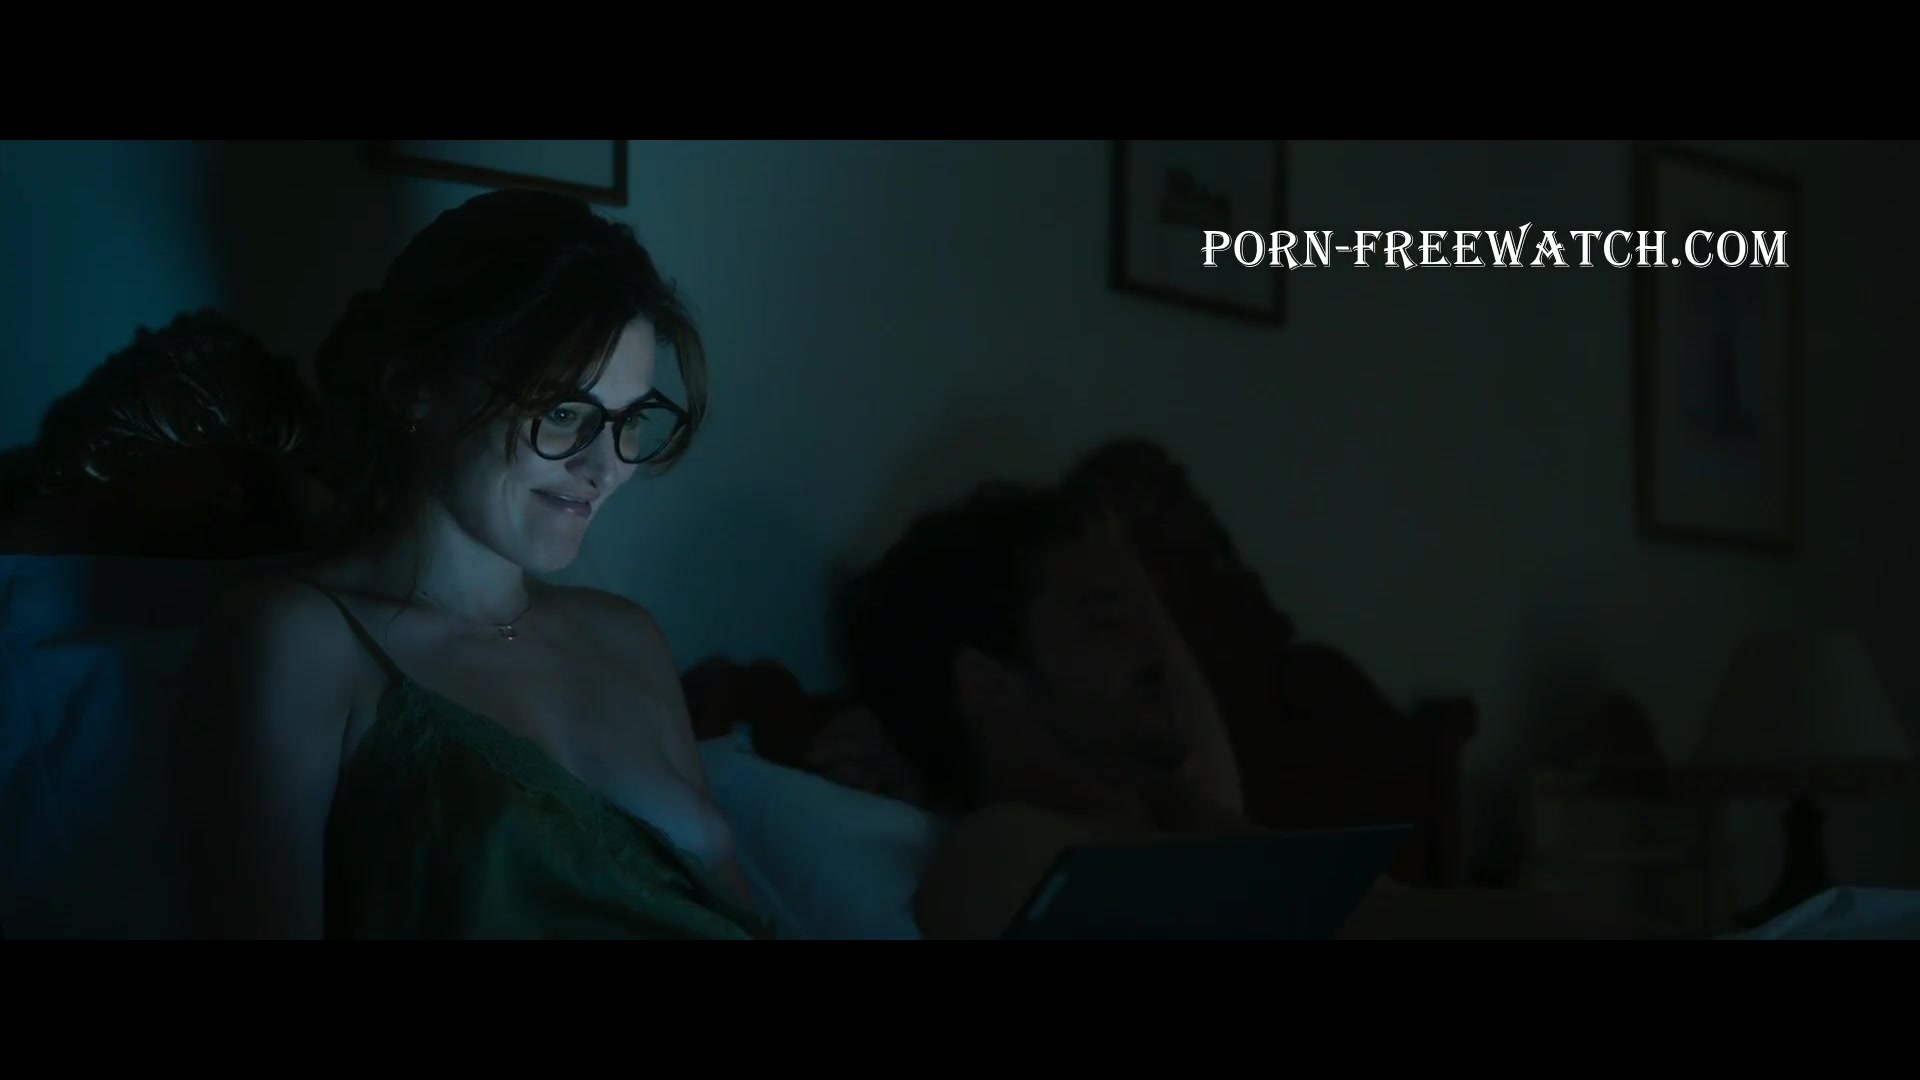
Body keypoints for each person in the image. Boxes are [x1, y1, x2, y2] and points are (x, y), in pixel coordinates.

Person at [172, 189, 769, 940]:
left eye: (630, 421)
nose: (605, 466)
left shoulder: (628, 635)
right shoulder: (299, 639)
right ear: (417, 387)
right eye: (562, 413)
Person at [840, 481, 1688, 940]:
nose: (1161, 651)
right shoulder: (1000, 853)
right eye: (1107, 619)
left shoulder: (1192, 830)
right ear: (988, 686)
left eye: (1153, 614)